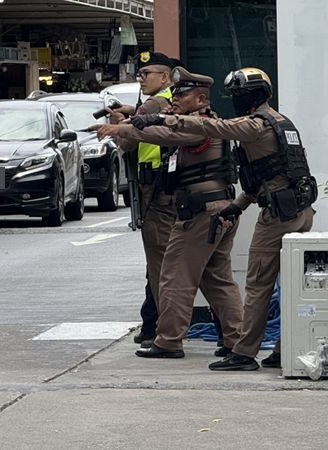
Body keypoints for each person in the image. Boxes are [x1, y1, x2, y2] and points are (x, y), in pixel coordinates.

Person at [130, 68, 318, 369]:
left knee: (258, 285)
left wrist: (160, 118)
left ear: (249, 97)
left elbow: (215, 128)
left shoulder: (255, 125)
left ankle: (243, 353)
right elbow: (267, 177)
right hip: (301, 212)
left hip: (278, 216)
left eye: (238, 95)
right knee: (292, 286)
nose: (235, 101)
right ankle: (283, 349)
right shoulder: (282, 122)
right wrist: (238, 206)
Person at [96, 67, 244, 358]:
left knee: (174, 275)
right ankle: (235, 338)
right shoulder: (203, 122)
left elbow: (160, 134)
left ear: (202, 99)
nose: (175, 98)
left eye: (183, 93)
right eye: (174, 92)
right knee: (216, 278)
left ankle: (169, 340)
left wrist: (121, 128)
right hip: (217, 208)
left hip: (201, 212)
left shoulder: (198, 124)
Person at [107, 52, 178, 347]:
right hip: (167, 189)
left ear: (164, 77)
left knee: (159, 264)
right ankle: (154, 324)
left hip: (156, 190)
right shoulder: (168, 98)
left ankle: (165, 332)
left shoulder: (154, 103)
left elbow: (127, 142)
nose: (141, 78)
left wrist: (118, 125)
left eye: (147, 73)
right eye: (140, 73)